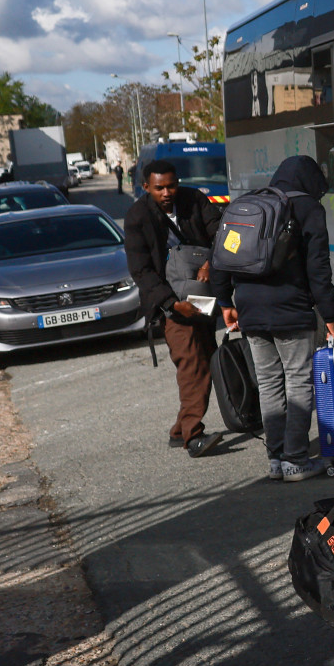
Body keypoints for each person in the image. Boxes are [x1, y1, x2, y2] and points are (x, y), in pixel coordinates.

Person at [214, 156, 334, 481]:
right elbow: (318, 269)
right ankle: (296, 459)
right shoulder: (308, 209)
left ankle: (276, 459)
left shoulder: (247, 203)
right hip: (291, 309)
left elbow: (221, 256)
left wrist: (225, 301)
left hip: (250, 310)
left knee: (269, 384)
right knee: (298, 381)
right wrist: (330, 315)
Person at [124, 159, 225, 457]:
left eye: (171, 185)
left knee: (206, 359)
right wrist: (172, 304)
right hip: (171, 305)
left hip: (202, 297)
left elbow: (223, 232)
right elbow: (141, 271)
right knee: (191, 364)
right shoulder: (136, 217)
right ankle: (193, 436)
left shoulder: (195, 200)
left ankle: (179, 429)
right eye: (159, 188)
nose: (167, 193)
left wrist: (212, 263)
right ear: (146, 187)